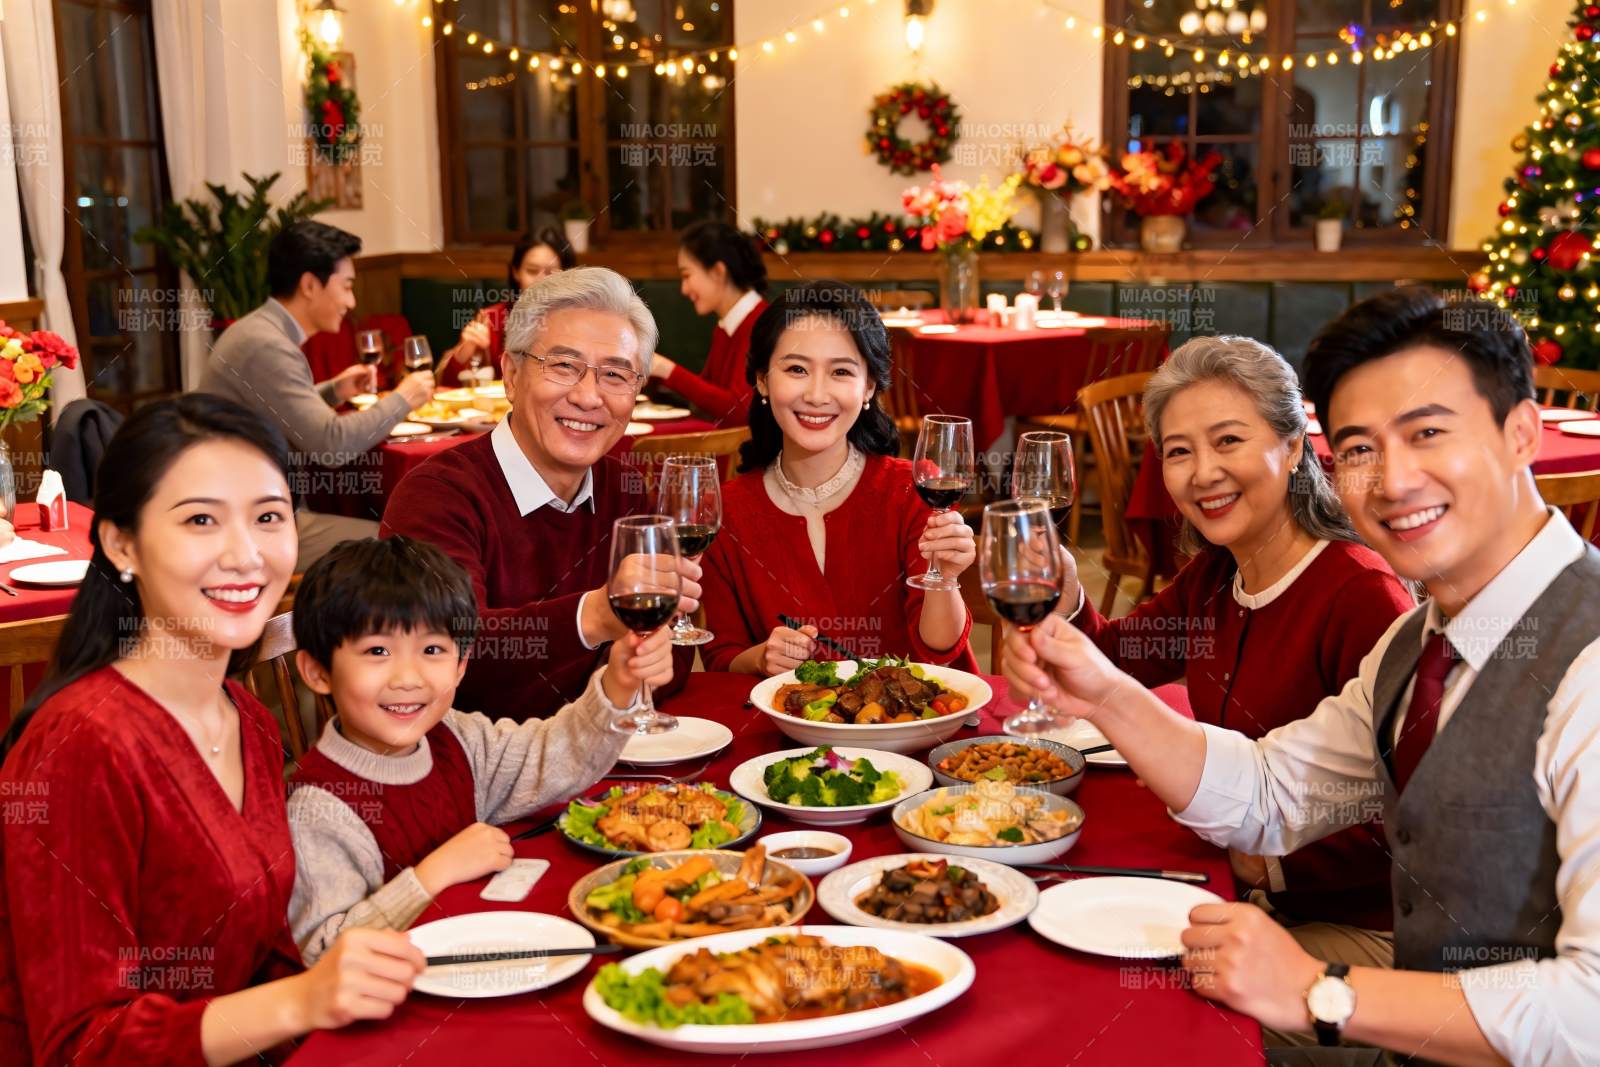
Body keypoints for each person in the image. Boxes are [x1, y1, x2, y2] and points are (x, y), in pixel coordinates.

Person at [1004, 288, 1600, 1064]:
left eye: (1426, 432)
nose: (1392, 480)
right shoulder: (1417, 645)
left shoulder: (1584, 659)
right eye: (1359, 448)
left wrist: (1321, 989)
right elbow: (1267, 791)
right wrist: (1105, 691)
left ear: (1522, 432)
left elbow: (1591, 1008)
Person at [0, 395, 425, 1064]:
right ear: (121, 543)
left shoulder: (246, 717)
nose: (246, 555)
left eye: (268, 516)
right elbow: (80, 1046)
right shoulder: (82, 746)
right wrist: (302, 1000)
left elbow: (259, 949)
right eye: (201, 519)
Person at [1058, 335, 1412, 965]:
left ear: (1293, 445)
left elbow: (1413, 814)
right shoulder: (1217, 573)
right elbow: (1114, 659)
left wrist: (1265, 864)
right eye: (1179, 452)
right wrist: (1065, 590)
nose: (1202, 473)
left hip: (1359, 926)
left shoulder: (1361, 595)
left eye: (1227, 441)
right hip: (1249, 893)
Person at [284, 536, 670, 963]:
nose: (408, 678)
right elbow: (320, 956)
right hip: (398, 996)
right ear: (318, 672)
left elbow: (549, 760)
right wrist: (431, 877)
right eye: (377, 651)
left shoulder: (454, 736)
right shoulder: (319, 806)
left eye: (432, 650)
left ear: (460, 665)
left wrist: (618, 685)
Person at [382, 267, 697, 720]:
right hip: (469, 756)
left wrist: (632, 671)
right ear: (511, 375)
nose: (588, 397)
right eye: (564, 366)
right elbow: (441, 654)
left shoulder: (624, 490)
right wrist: (596, 616)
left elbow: (672, 653)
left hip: (604, 747)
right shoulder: (435, 496)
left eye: (615, 374)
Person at [699, 280, 976, 676]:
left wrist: (945, 579)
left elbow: (939, 650)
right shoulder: (723, 511)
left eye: (841, 372)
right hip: (784, 717)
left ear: (869, 388)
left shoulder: (911, 490)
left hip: (915, 712)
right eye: (796, 369)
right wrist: (760, 658)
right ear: (762, 379)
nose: (816, 395)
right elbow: (722, 657)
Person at [200, 219, 435, 567]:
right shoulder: (267, 345)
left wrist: (334, 390)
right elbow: (331, 445)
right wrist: (404, 398)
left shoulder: (259, 331)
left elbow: (275, 410)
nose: (351, 301)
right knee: (405, 549)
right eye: (347, 287)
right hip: (246, 525)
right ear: (310, 285)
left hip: (253, 508)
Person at [647, 220, 770, 427]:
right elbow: (705, 398)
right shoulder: (726, 326)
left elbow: (741, 413)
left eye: (687, 275)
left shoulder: (760, 323)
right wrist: (655, 374)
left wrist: (667, 370)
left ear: (718, 272)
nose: (684, 289)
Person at [438, 229, 576, 386]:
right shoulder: (492, 319)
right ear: (516, 272)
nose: (540, 281)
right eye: (532, 271)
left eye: (551, 273)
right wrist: (462, 355)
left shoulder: (579, 321)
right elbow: (450, 388)